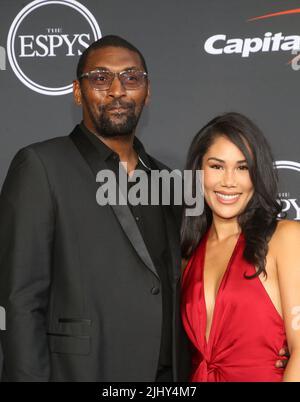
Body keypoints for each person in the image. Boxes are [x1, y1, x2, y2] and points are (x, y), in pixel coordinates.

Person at [0, 35, 190, 382]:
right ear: (77, 91)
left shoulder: (167, 180)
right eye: (101, 78)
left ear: (147, 92)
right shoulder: (41, 166)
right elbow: (21, 302)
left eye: (131, 78)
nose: (118, 90)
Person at [181, 112, 300, 382]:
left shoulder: (286, 239)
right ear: (198, 170)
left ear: (257, 175)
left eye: (243, 168)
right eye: (217, 166)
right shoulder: (188, 254)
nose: (229, 181)